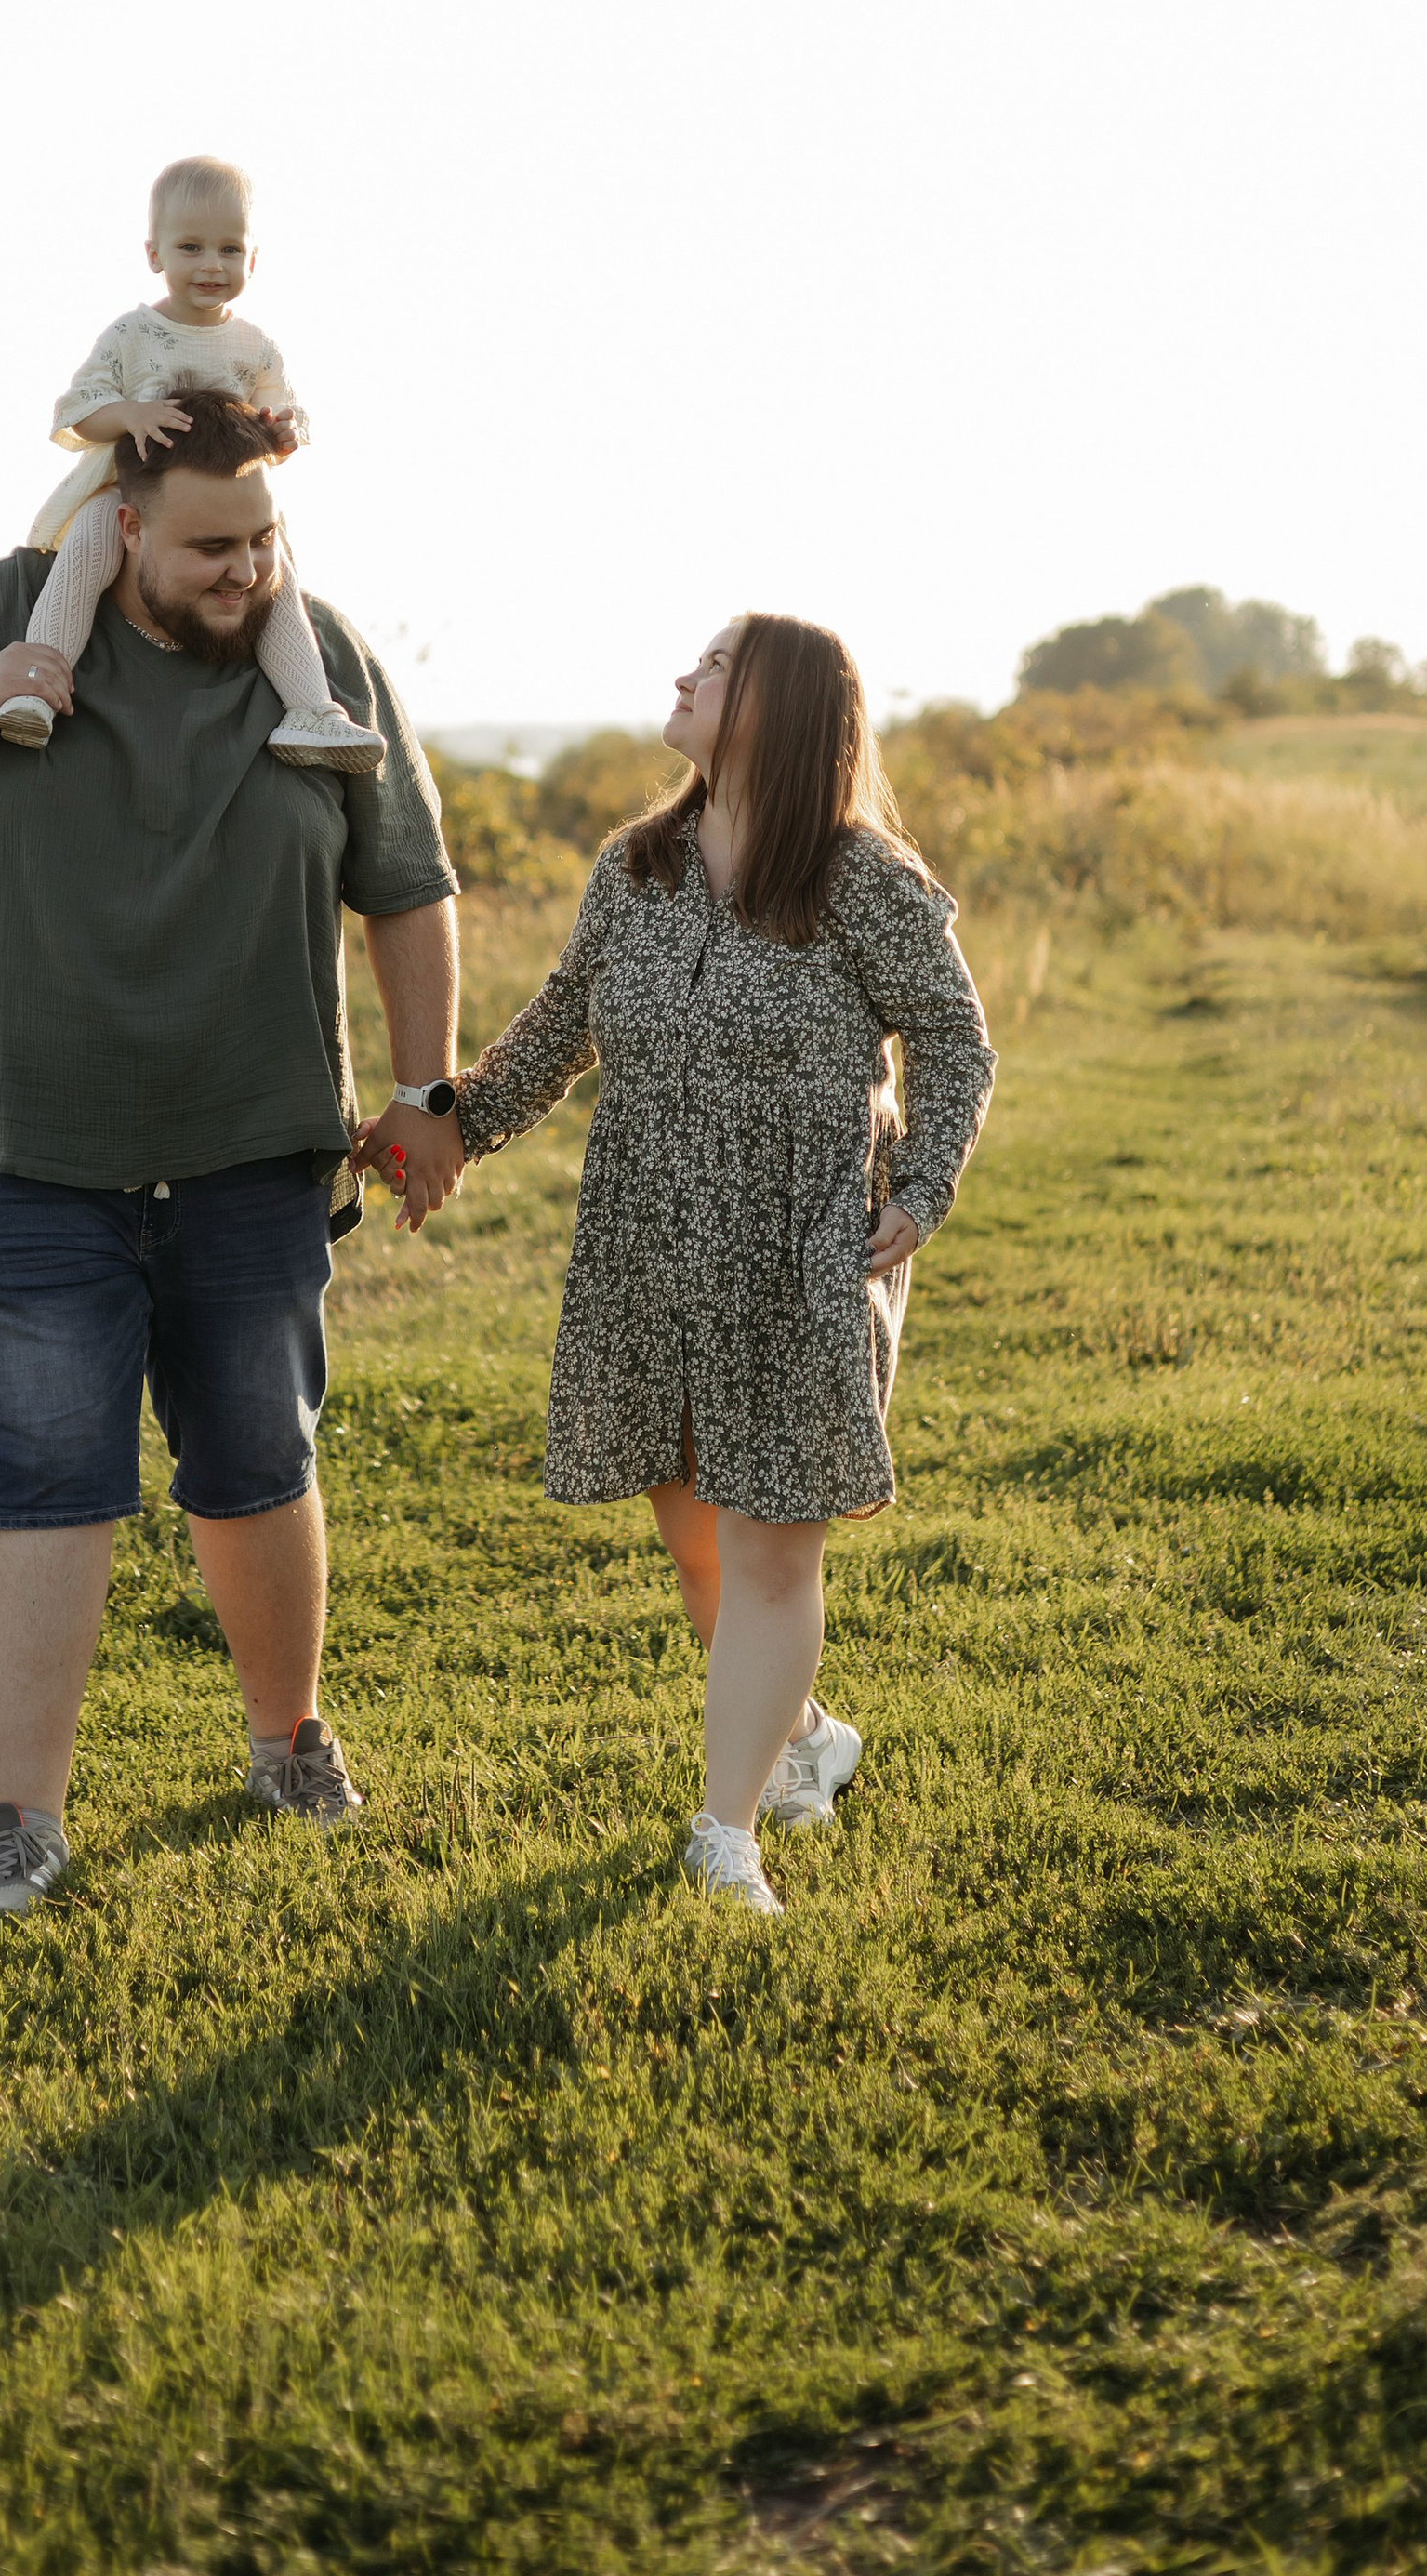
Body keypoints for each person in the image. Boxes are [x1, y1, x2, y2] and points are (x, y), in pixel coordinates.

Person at [0, 388, 465, 1922]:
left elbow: (410, 885)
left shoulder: (323, 656)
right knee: (41, 1483)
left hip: (254, 1144)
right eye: (210, 548)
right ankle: (24, 1822)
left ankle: (288, 1739)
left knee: (257, 1461)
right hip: (22, 1145)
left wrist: (427, 1091)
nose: (247, 572)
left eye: (264, 541)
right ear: (121, 531)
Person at [416, 614, 996, 1918]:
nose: (685, 676)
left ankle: (727, 1832)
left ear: (785, 710)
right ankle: (804, 1741)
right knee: (702, 1548)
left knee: (773, 1550)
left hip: (799, 1247)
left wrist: (922, 1187)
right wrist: (444, 1126)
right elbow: (560, 1026)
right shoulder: (638, 866)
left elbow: (957, 1045)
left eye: (718, 666)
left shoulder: (862, 880)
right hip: (649, 1237)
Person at [0, 151, 382, 773]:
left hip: (224, 504)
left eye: (230, 250)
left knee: (272, 574)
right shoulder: (134, 334)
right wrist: (131, 415)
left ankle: (312, 712)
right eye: (192, 247)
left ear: (253, 260)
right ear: (155, 255)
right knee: (88, 552)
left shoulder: (255, 345)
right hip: (129, 489)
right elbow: (78, 413)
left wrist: (279, 430)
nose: (211, 265)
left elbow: (273, 412)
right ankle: (35, 685)